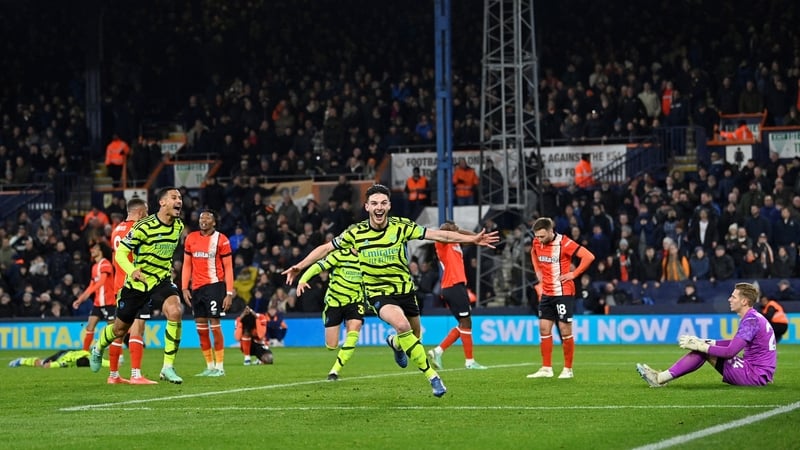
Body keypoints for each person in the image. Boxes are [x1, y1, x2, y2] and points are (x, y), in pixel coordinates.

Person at [283, 184, 500, 397]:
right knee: (402, 324)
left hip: (405, 291)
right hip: (378, 293)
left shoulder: (401, 227)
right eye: (374, 203)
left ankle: (395, 343)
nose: (379, 207)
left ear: (389, 206)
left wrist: (472, 239)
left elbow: (439, 235)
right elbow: (326, 248)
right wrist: (300, 266)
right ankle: (433, 377)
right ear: (367, 207)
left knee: (414, 336)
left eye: (383, 203)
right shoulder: (355, 232)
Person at [89, 187, 186, 384]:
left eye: (180, 198)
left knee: (175, 311)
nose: (179, 201)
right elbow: (122, 253)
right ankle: (98, 347)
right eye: (174, 197)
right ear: (162, 202)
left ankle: (168, 366)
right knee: (119, 330)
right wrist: (133, 271)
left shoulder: (178, 227)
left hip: (161, 281)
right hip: (137, 283)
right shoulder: (143, 227)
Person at [637, 282, 777, 387]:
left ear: (744, 301)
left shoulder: (750, 321)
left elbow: (730, 351)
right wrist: (704, 341)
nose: (729, 299)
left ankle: (659, 379)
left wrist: (702, 346)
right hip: (757, 372)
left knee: (704, 351)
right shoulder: (753, 317)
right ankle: (660, 378)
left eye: (733, 296)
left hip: (754, 375)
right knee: (704, 347)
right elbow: (733, 343)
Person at [528, 217, 596, 379]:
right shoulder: (537, 242)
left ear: (551, 232)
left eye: (542, 236)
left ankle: (568, 369)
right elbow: (533, 253)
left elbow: (589, 257)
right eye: (537, 236)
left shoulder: (564, 243)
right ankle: (546, 368)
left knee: (565, 331)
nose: (539, 240)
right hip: (546, 292)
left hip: (563, 292)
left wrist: (574, 273)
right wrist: (537, 270)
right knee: (544, 328)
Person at [296, 247, 364, 381]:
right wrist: (303, 280)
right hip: (334, 302)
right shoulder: (339, 255)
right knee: (331, 346)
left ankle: (335, 370)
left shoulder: (367, 257)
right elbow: (318, 266)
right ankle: (326, 314)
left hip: (355, 301)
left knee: (355, 327)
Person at [427, 221, 487, 370]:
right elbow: (448, 235)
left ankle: (438, 351)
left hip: (456, 286)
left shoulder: (456, 244)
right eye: (454, 229)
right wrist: (452, 231)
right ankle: (469, 361)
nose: (457, 231)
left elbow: (467, 238)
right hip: (453, 285)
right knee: (466, 322)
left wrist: (477, 237)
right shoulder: (442, 243)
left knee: (463, 324)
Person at [181, 210, 234, 377]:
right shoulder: (190, 238)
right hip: (196, 288)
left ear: (214, 223)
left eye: (208, 217)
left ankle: (220, 367)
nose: (203, 220)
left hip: (214, 286)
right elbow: (187, 265)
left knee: (215, 326)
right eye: (201, 217)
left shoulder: (222, 240)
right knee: (201, 328)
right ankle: (209, 366)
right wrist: (184, 287)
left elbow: (229, 268)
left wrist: (229, 292)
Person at [110, 197, 157, 384]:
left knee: (119, 331)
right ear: (139, 212)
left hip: (118, 285)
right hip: (135, 285)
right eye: (146, 212)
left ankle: (113, 375)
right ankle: (136, 374)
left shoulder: (116, 230)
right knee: (138, 328)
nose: (147, 215)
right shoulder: (137, 230)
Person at [71, 242, 123, 383]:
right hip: (98, 304)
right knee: (90, 327)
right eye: (91, 248)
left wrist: (91, 291)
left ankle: (120, 355)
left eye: (95, 248)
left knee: (114, 330)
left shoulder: (105, 264)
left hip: (109, 302)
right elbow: (92, 285)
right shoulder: (94, 267)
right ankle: (85, 354)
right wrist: (80, 299)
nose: (92, 250)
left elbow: (101, 283)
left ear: (100, 251)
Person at [8, 350, 108, 369]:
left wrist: (115, 363)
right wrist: (51, 365)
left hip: (69, 353)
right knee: (42, 363)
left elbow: (104, 362)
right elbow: (61, 363)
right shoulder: (72, 359)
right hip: (62, 355)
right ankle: (20, 361)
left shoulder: (92, 358)